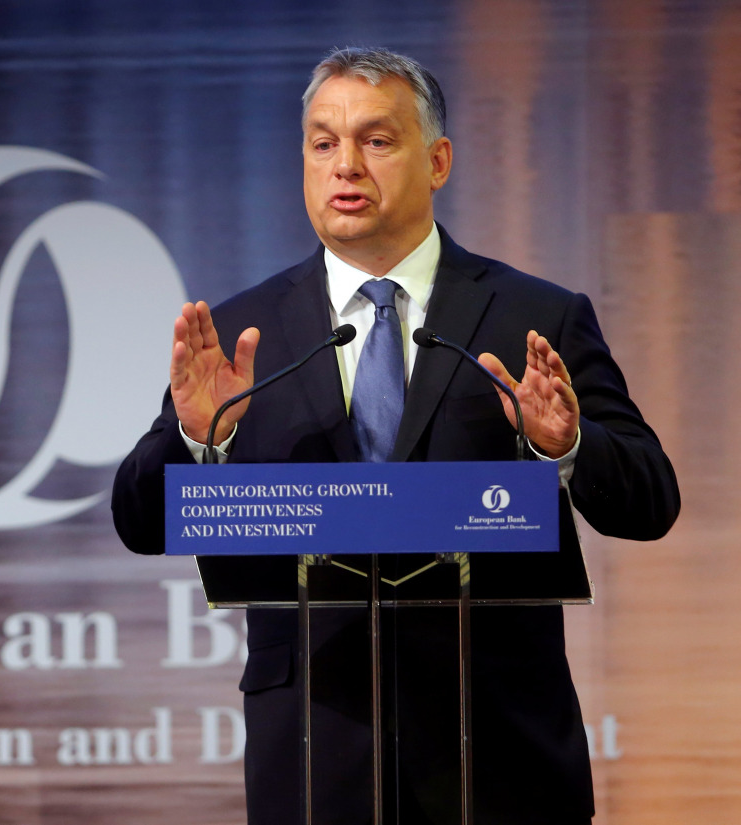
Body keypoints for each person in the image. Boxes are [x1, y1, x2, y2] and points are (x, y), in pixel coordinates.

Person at [111, 47, 680, 825]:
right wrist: (195, 433)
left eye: (377, 141)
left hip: (500, 750)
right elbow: (140, 522)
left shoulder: (534, 316)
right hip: (316, 751)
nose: (346, 165)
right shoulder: (249, 332)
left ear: (438, 159)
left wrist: (565, 448)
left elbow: (650, 501)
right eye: (323, 143)